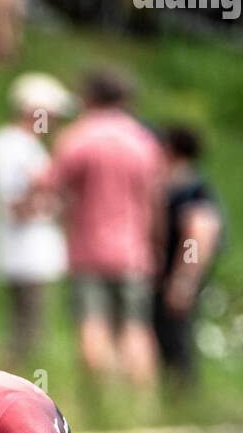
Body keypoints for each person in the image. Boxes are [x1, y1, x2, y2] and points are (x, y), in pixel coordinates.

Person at [42, 68, 164, 387]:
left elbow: (50, 185)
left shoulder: (79, 137)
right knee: (136, 327)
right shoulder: (144, 141)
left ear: (89, 96)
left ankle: (106, 398)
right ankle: (141, 402)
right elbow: (155, 200)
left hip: (89, 251)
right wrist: (156, 245)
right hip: (135, 252)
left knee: (92, 324)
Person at [0, 73, 73, 365]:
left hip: (31, 254)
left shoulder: (25, 146)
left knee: (29, 329)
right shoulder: (11, 146)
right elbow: (14, 204)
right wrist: (50, 203)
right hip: (23, 253)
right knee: (25, 334)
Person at [154, 126, 223, 384]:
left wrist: (183, 280)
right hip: (172, 275)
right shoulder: (184, 186)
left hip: (179, 277)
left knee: (176, 336)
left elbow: (199, 234)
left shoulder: (192, 190)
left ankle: (182, 390)